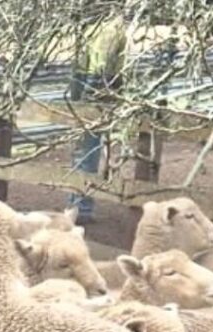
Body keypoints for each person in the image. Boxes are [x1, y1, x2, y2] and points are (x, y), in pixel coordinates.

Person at [68, 19, 126, 224]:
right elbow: (101, 65)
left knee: (82, 151)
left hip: (85, 87)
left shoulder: (89, 25)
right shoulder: (111, 27)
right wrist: (89, 96)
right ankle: (80, 207)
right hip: (96, 91)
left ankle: (76, 203)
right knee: (88, 151)